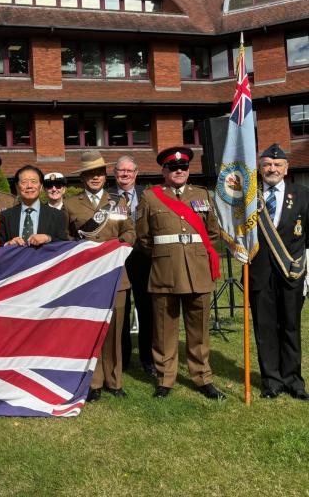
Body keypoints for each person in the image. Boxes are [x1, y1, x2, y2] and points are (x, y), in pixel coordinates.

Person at [136, 147, 225, 399]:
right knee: (164, 329)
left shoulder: (202, 195)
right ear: (164, 171)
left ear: (188, 170)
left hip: (198, 271)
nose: (178, 171)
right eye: (173, 168)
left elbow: (213, 232)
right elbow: (143, 237)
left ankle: (202, 377)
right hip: (165, 271)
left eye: (183, 168)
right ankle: (165, 379)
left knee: (199, 330)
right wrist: (167, 256)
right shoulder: (151, 197)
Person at [64, 150, 135, 401]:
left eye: (99, 173)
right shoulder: (71, 204)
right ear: (82, 177)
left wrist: (116, 247)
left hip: (116, 274)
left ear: (105, 176)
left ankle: (114, 381)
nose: (95, 177)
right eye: (90, 173)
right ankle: (93, 383)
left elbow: (129, 232)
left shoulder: (119, 202)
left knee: (115, 330)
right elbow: (67, 240)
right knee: (90, 329)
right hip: (86, 277)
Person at [249, 144, 309, 400]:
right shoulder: (249, 198)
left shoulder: (303, 195)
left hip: (292, 272)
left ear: (286, 169)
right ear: (260, 169)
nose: (271, 169)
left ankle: (294, 380)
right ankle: (272, 381)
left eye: (277, 165)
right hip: (260, 272)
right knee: (265, 328)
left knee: (291, 326)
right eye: (266, 165)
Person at [110, 155, 155, 377]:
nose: (125, 174)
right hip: (118, 260)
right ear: (115, 174)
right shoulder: (107, 198)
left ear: (136, 173)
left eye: (129, 171)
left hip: (144, 259)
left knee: (147, 309)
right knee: (121, 310)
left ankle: (148, 358)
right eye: (121, 171)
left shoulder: (149, 195)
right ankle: (123, 358)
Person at [0, 165, 67, 246]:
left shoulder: (57, 215)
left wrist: (48, 238)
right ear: (17, 187)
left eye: (34, 181)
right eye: (24, 182)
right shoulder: (6, 215)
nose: (29, 186)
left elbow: (64, 244)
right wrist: (8, 244)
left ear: (41, 186)